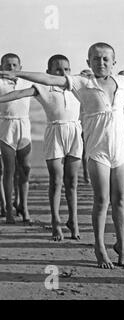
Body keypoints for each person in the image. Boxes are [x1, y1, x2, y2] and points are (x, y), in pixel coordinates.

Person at [0, 42, 124, 268]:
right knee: (102, 201)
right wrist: (16, 73)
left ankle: (122, 245)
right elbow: (48, 80)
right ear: (88, 62)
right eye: (96, 59)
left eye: (105, 59)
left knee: (120, 201)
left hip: (120, 152)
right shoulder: (82, 83)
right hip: (97, 152)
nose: (101, 63)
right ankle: (99, 246)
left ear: (114, 62)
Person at [0, 54, 82, 241]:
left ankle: (73, 219)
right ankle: (55, 221)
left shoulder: (76, 85)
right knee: (56, 180)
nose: (63, 73)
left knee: (72, 182)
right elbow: (18, 94)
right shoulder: (43, 87)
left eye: (66, 69)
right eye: (58, 70)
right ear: (49, 72)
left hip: (74, 133)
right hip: (54, 133)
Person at [0, 53, 32, 224]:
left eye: (14, 65)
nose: (11, 68)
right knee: (9, 170)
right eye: (7, 65)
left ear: (20, 67)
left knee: (25, 168)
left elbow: (48, 83)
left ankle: (23, 206)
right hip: (5, 127)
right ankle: (8, 210)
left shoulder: (26, 81)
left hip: (24, 126)